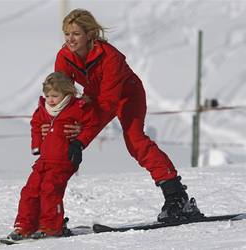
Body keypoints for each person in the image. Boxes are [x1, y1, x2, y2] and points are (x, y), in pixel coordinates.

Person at [49, 8, 202, 222]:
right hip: (96, 97)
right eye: (67, 34)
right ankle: (48, 212)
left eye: (75, 34)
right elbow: (59, 93)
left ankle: (177, 197)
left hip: (127, 94)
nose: (70, 39)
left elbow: (108, 104)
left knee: (135, 141)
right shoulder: (64, 56)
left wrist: (82, 139)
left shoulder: (110, 56)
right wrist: (54, 124)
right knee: (64, 141)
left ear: (89, 34)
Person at [8, 72, 99, 240]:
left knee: (50, 190)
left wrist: (79, 141)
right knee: (30, 191)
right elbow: (35, 124)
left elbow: (92, 126)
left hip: (64, 161)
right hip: (43, 161)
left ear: (67, 94)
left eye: (55, 96)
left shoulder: (77, 108)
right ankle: (25, 225)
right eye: (47, 95)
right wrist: (36, 145)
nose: (50, 99)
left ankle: (51, 226)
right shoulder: (43, 110)